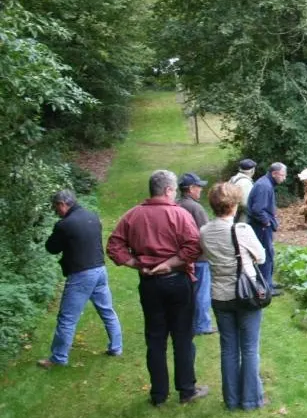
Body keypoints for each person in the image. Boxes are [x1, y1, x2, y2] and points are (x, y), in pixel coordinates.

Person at [106, 170, 207, 405]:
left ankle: (159, 395)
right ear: (168, 190)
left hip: (150, 283)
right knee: (183, 337)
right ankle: (186, 390)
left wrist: (137, 264)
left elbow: (114, 246)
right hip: (177, 281)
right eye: (174, 190)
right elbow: (194, 246)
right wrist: (170, 263)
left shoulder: (133, 215)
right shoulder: (179, 215)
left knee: (155, 338)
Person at [200, 182, 268, 410]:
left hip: (219, 296)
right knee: (249, 348)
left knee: (228, 348)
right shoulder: (242, 230)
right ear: (233, 205)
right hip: (245, 295)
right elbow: (261, 256)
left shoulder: (204, 231)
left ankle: (231, 399)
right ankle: (250, 399)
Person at [37, 189, 122, 369]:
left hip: (81, 274)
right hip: (100, 270)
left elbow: (51, 248)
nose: (56, 211)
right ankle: (116, 347)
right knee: (107, 310)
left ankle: (58, 358)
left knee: (67, 318)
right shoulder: (93, 217)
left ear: (62, 204)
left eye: (56, 207)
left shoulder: (65, 225)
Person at [177, 172, 215, 335]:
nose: (201, 190)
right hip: (199, 258)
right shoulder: (195, 207)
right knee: (202, 293)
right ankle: (202, 325)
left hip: (182, 257)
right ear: (191, 188)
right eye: (199, 187)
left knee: (188, 293)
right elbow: (206, 233)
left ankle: (187, 323)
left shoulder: (176, 204)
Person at [248, 162, 286, 296]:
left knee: (268, 253)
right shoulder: (264, 186)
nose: (284, 178)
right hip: (261, 227)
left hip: (262, 226)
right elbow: (257, 209)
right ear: (274, 173)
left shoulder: (266, 183)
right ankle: (265, 287)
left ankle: (268, 282)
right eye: (283, 175)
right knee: (264, 255)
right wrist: (267, 222)